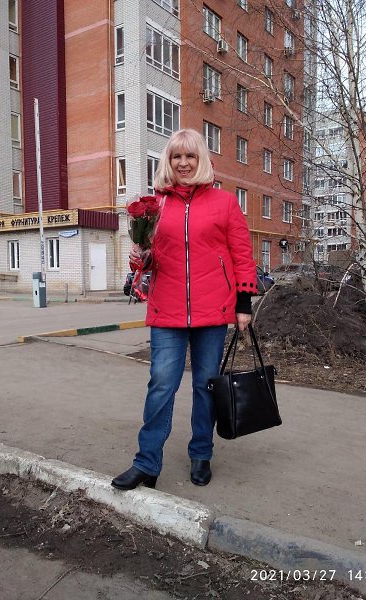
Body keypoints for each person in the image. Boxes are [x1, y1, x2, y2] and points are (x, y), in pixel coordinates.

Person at [112, 128, 256, 491]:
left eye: (190, 156)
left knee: (206, 386)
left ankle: (201, 454)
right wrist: (138, 257)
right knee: (161, 385)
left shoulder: (224, 203)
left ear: (201, 159)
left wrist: (243, 303)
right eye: (176, 156)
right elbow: (147, 262)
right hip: (168, 310)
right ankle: (146, 463)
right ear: (168, 161)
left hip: (213, 310)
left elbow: (242, 254)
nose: (183, 163)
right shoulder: (155, 207)